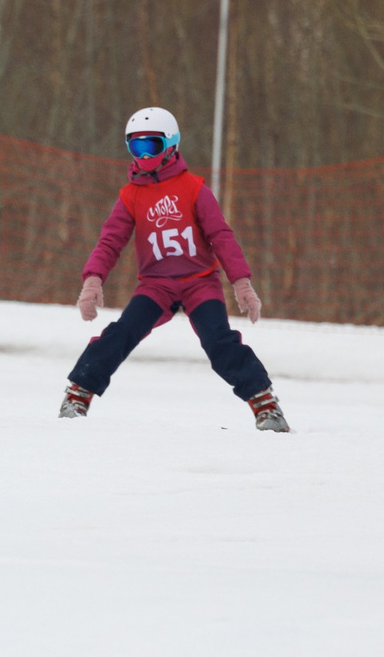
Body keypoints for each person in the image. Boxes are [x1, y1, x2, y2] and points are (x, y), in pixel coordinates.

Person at [61, 108, 287, 431]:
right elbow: (111, 240)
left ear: (170, 146)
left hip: (200, 283)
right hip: (156, 285)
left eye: (150, 146)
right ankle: (78, 394)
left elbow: (221, 236)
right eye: (135, 148)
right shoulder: (130, 196)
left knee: (219, 342)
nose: (143, 156)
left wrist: (242, 282)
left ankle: (265, 404)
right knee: (121, 333)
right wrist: (92, 279)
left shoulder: (194, 189)